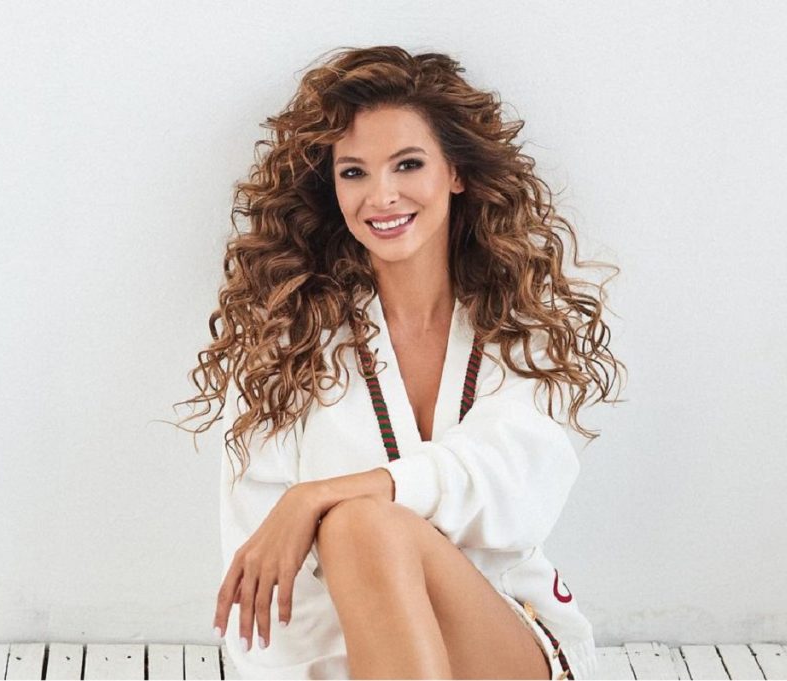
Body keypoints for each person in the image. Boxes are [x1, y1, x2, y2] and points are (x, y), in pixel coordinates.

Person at [177, 45, 625, 680]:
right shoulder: (289, 343)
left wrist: (321, 497)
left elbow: (514, 484)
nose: (381, 196)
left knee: (357, 524)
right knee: (358, 528)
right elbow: (269, 589)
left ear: (455, 172)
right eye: (353, 173)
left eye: (407, 164)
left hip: (504, 643)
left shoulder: (517, 323)